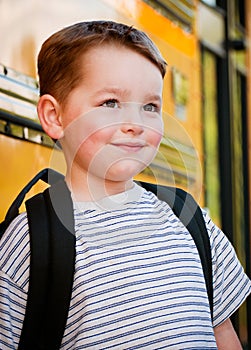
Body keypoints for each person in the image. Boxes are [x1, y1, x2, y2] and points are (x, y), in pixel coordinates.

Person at [0, 20, 251, 349]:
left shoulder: (190, 220)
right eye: (110, 103)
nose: (134, 123)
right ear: (54, 117)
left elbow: (223, 335)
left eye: (150, 106)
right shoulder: (28, 241)